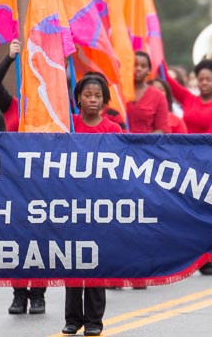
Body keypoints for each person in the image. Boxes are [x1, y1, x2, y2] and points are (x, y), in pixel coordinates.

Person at [0, 39, 47, 314]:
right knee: (16, 237)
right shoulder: (12, 107)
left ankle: (38, 293)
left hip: (43, 184)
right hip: (14, 183)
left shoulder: (51, 110)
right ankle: (18, 293)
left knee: (40, 238)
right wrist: (10, 58)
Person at [62, 73, 122, 337]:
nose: (93, 100)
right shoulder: (68, 125)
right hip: (70, 204)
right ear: (77, 99)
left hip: (99, 205)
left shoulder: (112, 130)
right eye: (87, 95)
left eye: (98, 96)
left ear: (105, 100)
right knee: (73, 262)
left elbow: (120, 166)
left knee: (95, 263)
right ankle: (73, 319)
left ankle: (94, 320)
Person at [168, 59, 212, 276]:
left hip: (206, 162)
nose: (204, 83)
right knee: (184, 210)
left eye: (209, 80)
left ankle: (206, 257)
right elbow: (168, 82)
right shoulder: (188, 98)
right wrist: (157, 58)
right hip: (185, 160)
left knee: (203, 211)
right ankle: (186, 256)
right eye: (200, 79)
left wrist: (191, 146)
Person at [127, 51, 169, 134]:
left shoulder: (158, 96)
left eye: (143, 66)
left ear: (149, 71)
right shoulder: (119, 92)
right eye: (135, 65)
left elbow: (162, 129)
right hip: (120, 144)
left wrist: (141, 140)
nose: (138, 69)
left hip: (147, 145)